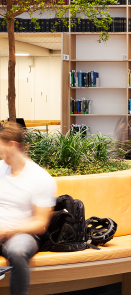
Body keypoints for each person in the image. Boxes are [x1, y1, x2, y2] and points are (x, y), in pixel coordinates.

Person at [0, 122, 56, 295]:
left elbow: (40, 223)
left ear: (12, 145)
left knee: (17, 252)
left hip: (22, 235)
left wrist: (7, 231)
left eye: (1, 147)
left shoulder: (41, 178)